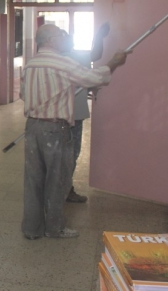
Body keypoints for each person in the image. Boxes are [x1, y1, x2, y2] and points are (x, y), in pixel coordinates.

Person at [20, 24, 128, 240]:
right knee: (57, 180)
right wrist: (114, 62)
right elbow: (95, 78)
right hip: (55, 130)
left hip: (32, 128)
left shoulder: (30, 65)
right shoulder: (62, 62)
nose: (65, 36)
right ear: (50, 40)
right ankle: (54, 228)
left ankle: (31, 229)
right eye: (60, 34)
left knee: (33, 180)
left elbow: (24, 95)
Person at [65, 22, 110, 203]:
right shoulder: (73, 58)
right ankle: (64, 190)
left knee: (65, 155)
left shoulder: (68, 57)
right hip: (70, 116)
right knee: (70, 154)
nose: (71, 42)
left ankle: (62, 189)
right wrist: (99, 36)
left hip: (59, 115)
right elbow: (96, 55)